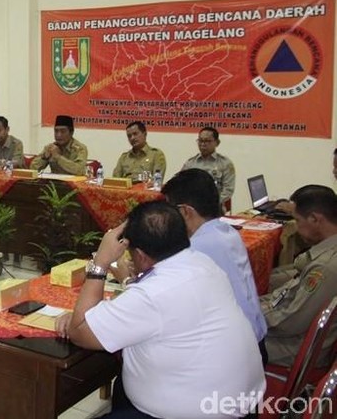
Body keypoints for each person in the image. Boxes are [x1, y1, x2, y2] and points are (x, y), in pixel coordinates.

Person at [56, 201, 264, 418]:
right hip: (239, 403)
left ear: (141, 255)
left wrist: (101, 262)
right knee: (121, 387)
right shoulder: (202, 263)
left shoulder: (152, 295)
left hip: (201, 412)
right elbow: (158, 306)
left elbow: (79, 331)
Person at [162, 168, 268, 362]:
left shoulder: (196, 249)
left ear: (185, 212)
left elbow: (164, 303)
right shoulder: (227, 232)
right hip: (255, 343)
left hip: (235, 357)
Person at [261, 185, 337, 368]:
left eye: (297, 220)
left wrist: (247, 316)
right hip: (296, 337)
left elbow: (288, 322)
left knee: (217, 341)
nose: (295, 226)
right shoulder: (325, 253)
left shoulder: (325, 268)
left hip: (294, 348)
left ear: (314, 219)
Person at [181, 126, 236, 206]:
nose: (203, 144)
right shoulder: (190, 163)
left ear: (217, 142)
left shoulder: (225, 164)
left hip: (215, 207)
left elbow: (228, 190)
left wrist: (210, 203)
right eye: (200, 141)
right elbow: (181, 185)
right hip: (193, 206)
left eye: (207, 141)